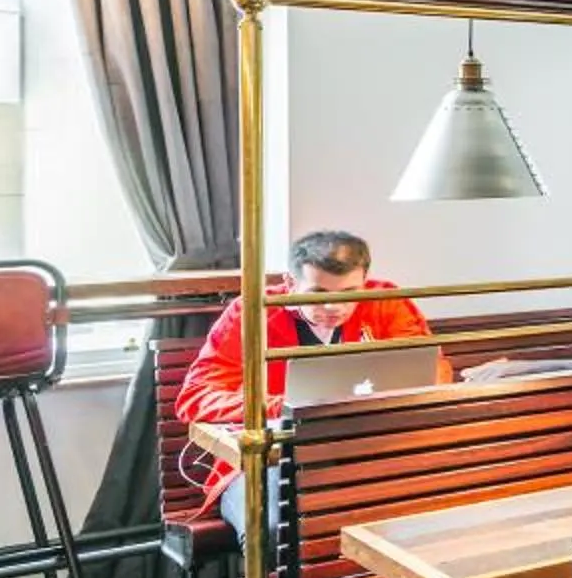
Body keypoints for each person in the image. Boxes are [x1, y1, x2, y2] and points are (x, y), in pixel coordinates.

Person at [175, 229, 433, 536]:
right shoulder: (251, 313)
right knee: (276, 528)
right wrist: (284, 405)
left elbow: (429, 373)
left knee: (422, 507)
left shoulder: (385, 300)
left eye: (349, 292)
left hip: (364, 451)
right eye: (318, 294)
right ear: (290, 283)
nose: (334, 307)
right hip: (264, 462)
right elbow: (195, 397)